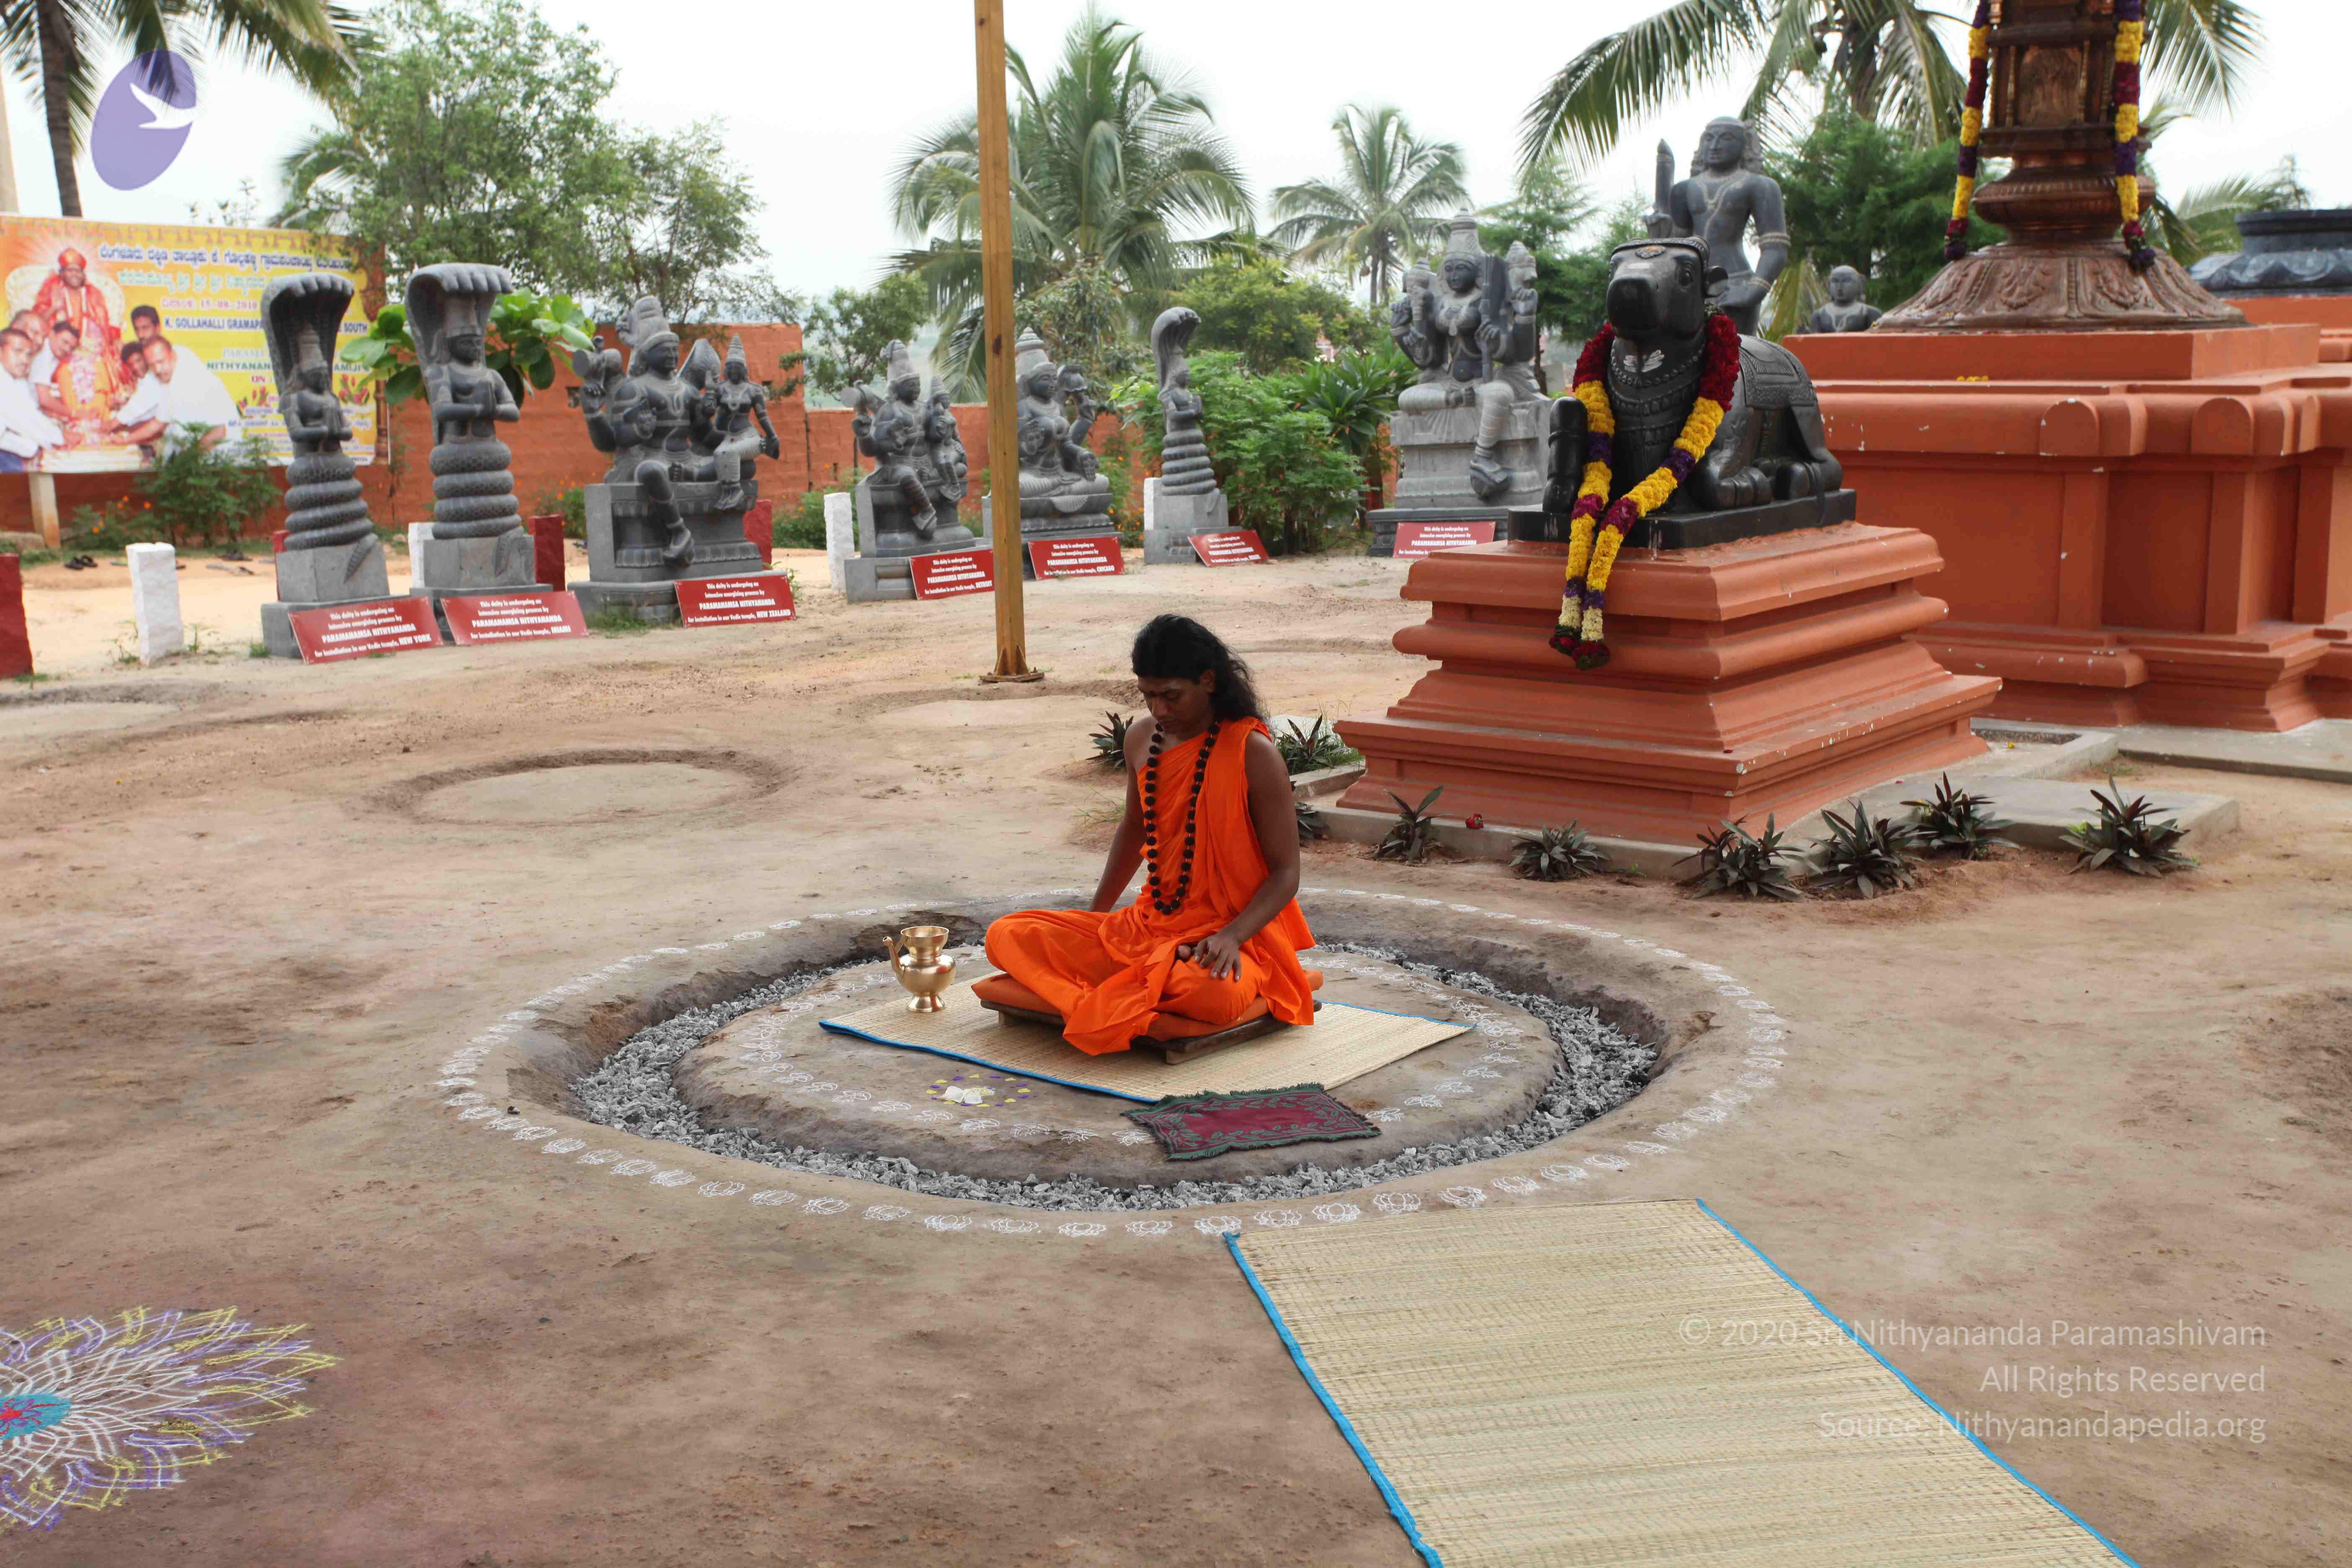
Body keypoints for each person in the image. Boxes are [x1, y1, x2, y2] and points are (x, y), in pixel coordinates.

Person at [983, 616, 1315, 1055]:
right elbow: (1134, 828)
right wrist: (1097, 918)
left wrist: (1231, 937)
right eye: (1148, 696)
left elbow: (1286, 873)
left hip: (1221, 939)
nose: (1159, 709)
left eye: (1171, 696)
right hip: (1146, 929)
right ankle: (1138, 989)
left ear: (1208, 681)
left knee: (1213, 994)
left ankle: (1114, 996)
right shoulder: (1142, 739)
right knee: (1005, 934)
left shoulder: (1253, 753)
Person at [114, 335, 241, 454]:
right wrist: (124, 440)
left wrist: (188, 461)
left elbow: (218, 432)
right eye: (152, 365)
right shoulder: (168, 381)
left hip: (220, 458)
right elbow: (158, 424)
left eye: (161, 362)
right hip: (198, 455)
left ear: (173, 356)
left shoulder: (195, 379)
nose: (157, 369)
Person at [0, 328, 64, 474]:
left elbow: (30, 413)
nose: (25, 360)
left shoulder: (15, 379)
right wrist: (60, 439)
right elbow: (24, 421)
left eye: (28, 355)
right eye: (17, 351)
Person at [33, 248, 115, 357]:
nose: (74, 275)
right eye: (70, 270)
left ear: (83, 274)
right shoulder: (51, 290)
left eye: (78, 271)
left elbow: (104, 326)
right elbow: (36, 323)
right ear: (62, 273)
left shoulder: (94, 294)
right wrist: (54, 308)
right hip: (58, 351)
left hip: (90, 351)